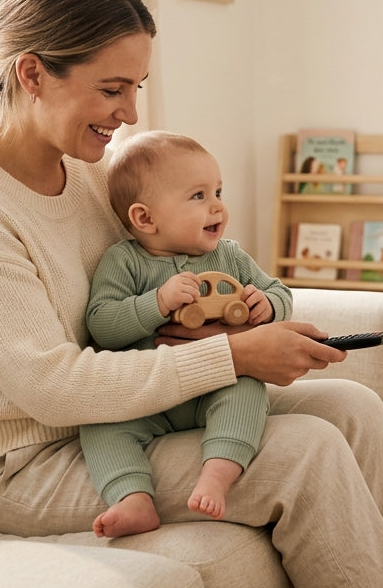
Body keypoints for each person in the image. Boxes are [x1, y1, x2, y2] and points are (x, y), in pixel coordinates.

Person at [0, 0, 383, 588]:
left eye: (136, 87)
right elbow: (52, 389)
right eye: (112, 89)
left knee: (356, 409)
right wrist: (233, 357)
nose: (129, 113)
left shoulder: (90, 176)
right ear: (32, 74)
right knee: (304, 452)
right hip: (27, 463)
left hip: (136, 414)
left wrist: (233, 319)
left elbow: (170, 272)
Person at [84, 130, 289, 536]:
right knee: (98, 424)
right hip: (146, 399)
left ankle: (218, 474)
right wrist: (157, 302)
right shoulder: (124, 262)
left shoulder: (229, 255)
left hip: (213, 387)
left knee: (247, 389)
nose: (217, 206)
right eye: (198, 196)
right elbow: (102, 325)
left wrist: (268, 304)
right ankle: (132, 497)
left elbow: (279, 291)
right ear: (145, 219)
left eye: (218, 192)